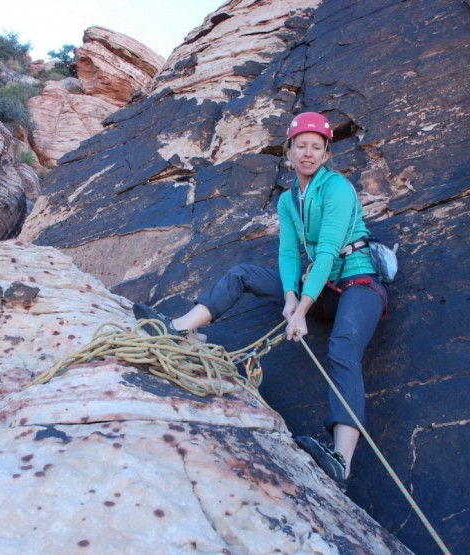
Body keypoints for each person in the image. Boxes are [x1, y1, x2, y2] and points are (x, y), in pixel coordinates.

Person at [133, 111, 388, 491]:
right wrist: (289, 296)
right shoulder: (289, 200)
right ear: (289, 151)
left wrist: (301, 310)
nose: (308, 153)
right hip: (319, 289)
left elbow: (328, 252)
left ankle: (341, 462)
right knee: (243, 274)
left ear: (326, 154)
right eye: (301, 146)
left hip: (359, 284)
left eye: (315, 147)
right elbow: (288, 252)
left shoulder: (337, 189)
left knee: (343, 347)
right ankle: (179, 328)